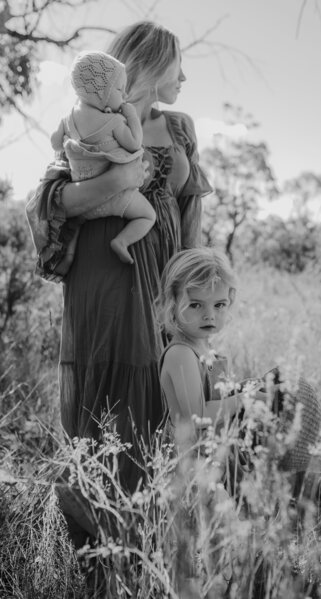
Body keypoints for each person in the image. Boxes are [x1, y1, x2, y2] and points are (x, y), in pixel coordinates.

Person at [30, 20, 212, 495]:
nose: (184, 78)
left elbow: (192, 216)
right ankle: (94, 518)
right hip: (102, 269)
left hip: (162, 271)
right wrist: (115, 181)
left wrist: (197, 295)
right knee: (106, 381)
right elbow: (51, 202)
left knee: (159, 383)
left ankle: (145, 525)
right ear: (152, 63)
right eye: (179, 65)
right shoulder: (86, 119)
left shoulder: (179, 127)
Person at [157, 247, 321, 478]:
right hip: (195, 461)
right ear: (173, 302)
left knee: (289, 385)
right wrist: (246, 398)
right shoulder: (181, 354)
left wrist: (248, 387)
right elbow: (197, 414)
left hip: (217, 449)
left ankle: (297, 471)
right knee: (219, 511)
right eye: (196, 305)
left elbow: (215, 397)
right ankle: (297, 481)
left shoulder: (204, 347)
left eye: (219, 305)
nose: (209, 315)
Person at [50, 50, 155, 272]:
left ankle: (67, 256)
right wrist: (132, 116)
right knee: (148, 215)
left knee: (75, 225)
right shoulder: (114, 121)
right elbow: (135, 143)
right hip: (116, 197)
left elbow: (56, 144)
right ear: (100, 91)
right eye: (119, 89)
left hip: (84, 200)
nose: (124, 95)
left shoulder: (67, 118)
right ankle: (122, 241)